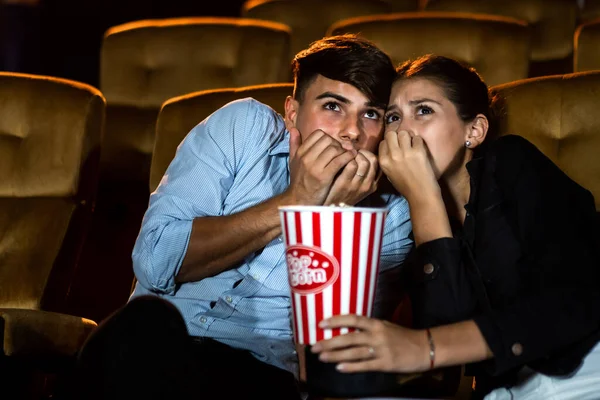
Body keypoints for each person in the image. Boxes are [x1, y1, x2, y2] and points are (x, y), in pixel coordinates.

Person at [73, 34, 413, 400]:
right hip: (150, 348)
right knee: (144, 323)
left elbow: (323, 361)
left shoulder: (392, 215)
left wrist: (326, 216)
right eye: (333, 106)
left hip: (259, 376)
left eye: (370, 114)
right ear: (293, 112)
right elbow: (154, 262)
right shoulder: (244, 127)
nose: (352, 131)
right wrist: (295, 201)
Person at [310, 54, 600, 400]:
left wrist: (423, 346)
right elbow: (446, 340)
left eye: (424, 111)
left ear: (474, 131)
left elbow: (574, 301)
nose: (403, 130)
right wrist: (423, 200)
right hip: (512, 389)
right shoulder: (404, 216)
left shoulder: (512, 164)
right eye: (393, 117)